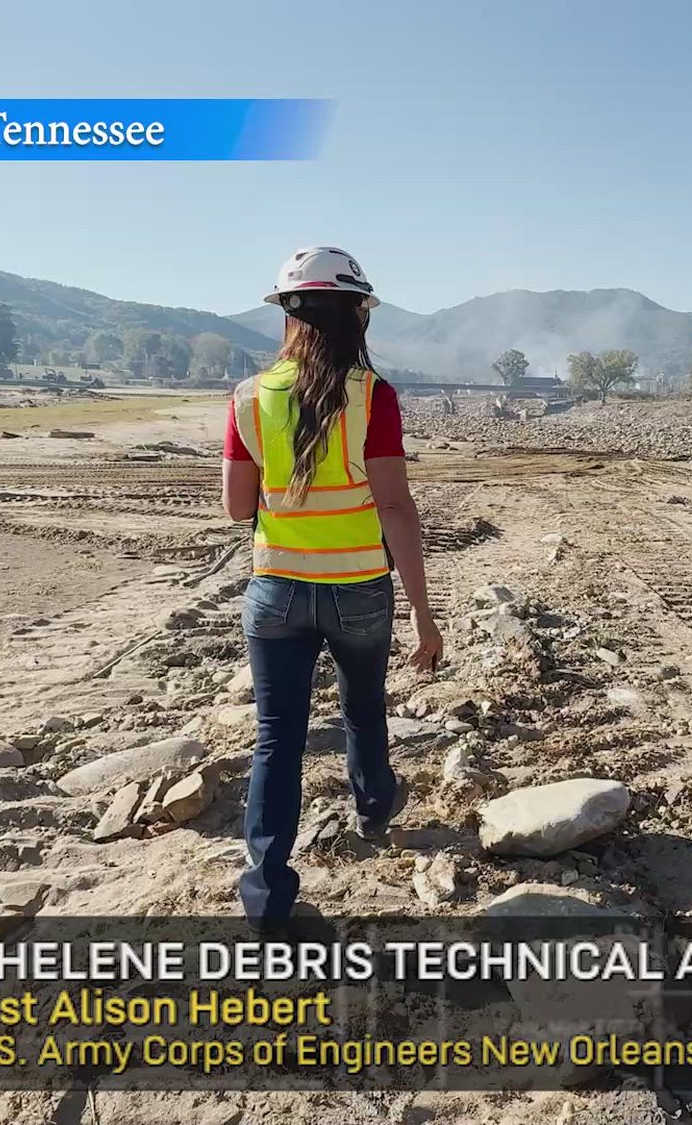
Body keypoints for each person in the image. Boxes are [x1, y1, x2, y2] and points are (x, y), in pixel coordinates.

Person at [220, 246, 444, 931]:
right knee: (362, 707)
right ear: (355, 316)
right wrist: (423, 614)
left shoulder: (249, 398)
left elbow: (235, 507)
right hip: (356, 589)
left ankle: (264, 897)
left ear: (287, 316)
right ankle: (374, 805)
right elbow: (396, 506)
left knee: (276, 737)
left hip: (276, 592)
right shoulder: (373, 396)